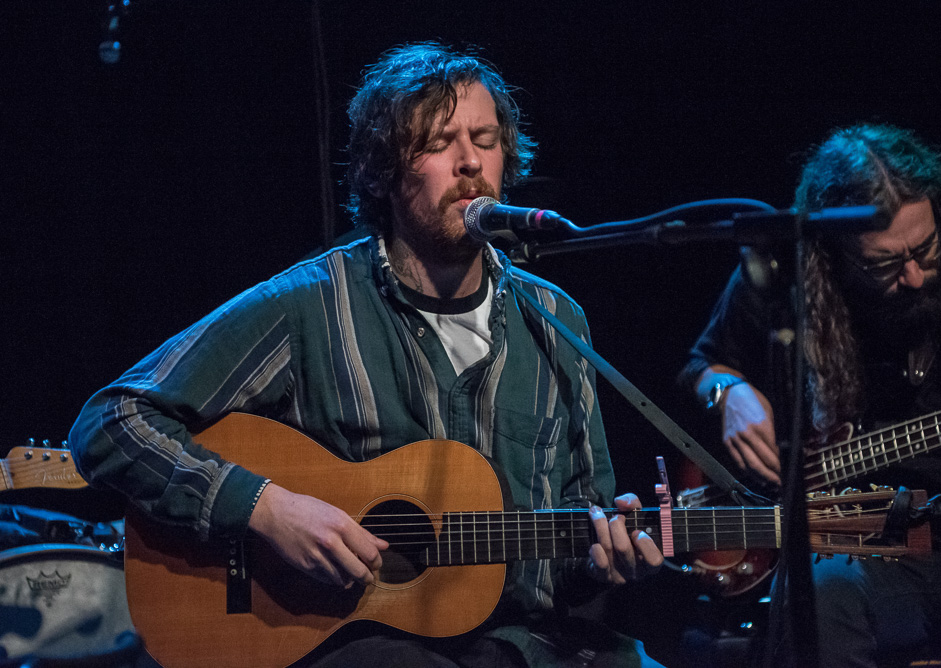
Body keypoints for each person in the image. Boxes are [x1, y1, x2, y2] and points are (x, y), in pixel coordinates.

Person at [69, 42, 666, 667]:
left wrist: (608, 561)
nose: (469, 163)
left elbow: (576, 543)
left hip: (529, 644)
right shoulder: (310, 305)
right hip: (359, 640)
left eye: (484, 139)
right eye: (438, 143)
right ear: (384, 171)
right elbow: (112, 421)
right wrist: (265, 508)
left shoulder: (557, 320)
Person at [679, 123, 941, 666]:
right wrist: (728, 391)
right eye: (884, 263)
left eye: (926, 248)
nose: (916, 276)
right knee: (823, 596)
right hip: (865, 554)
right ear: (834, 253)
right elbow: (701, 365)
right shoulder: (785, 282)